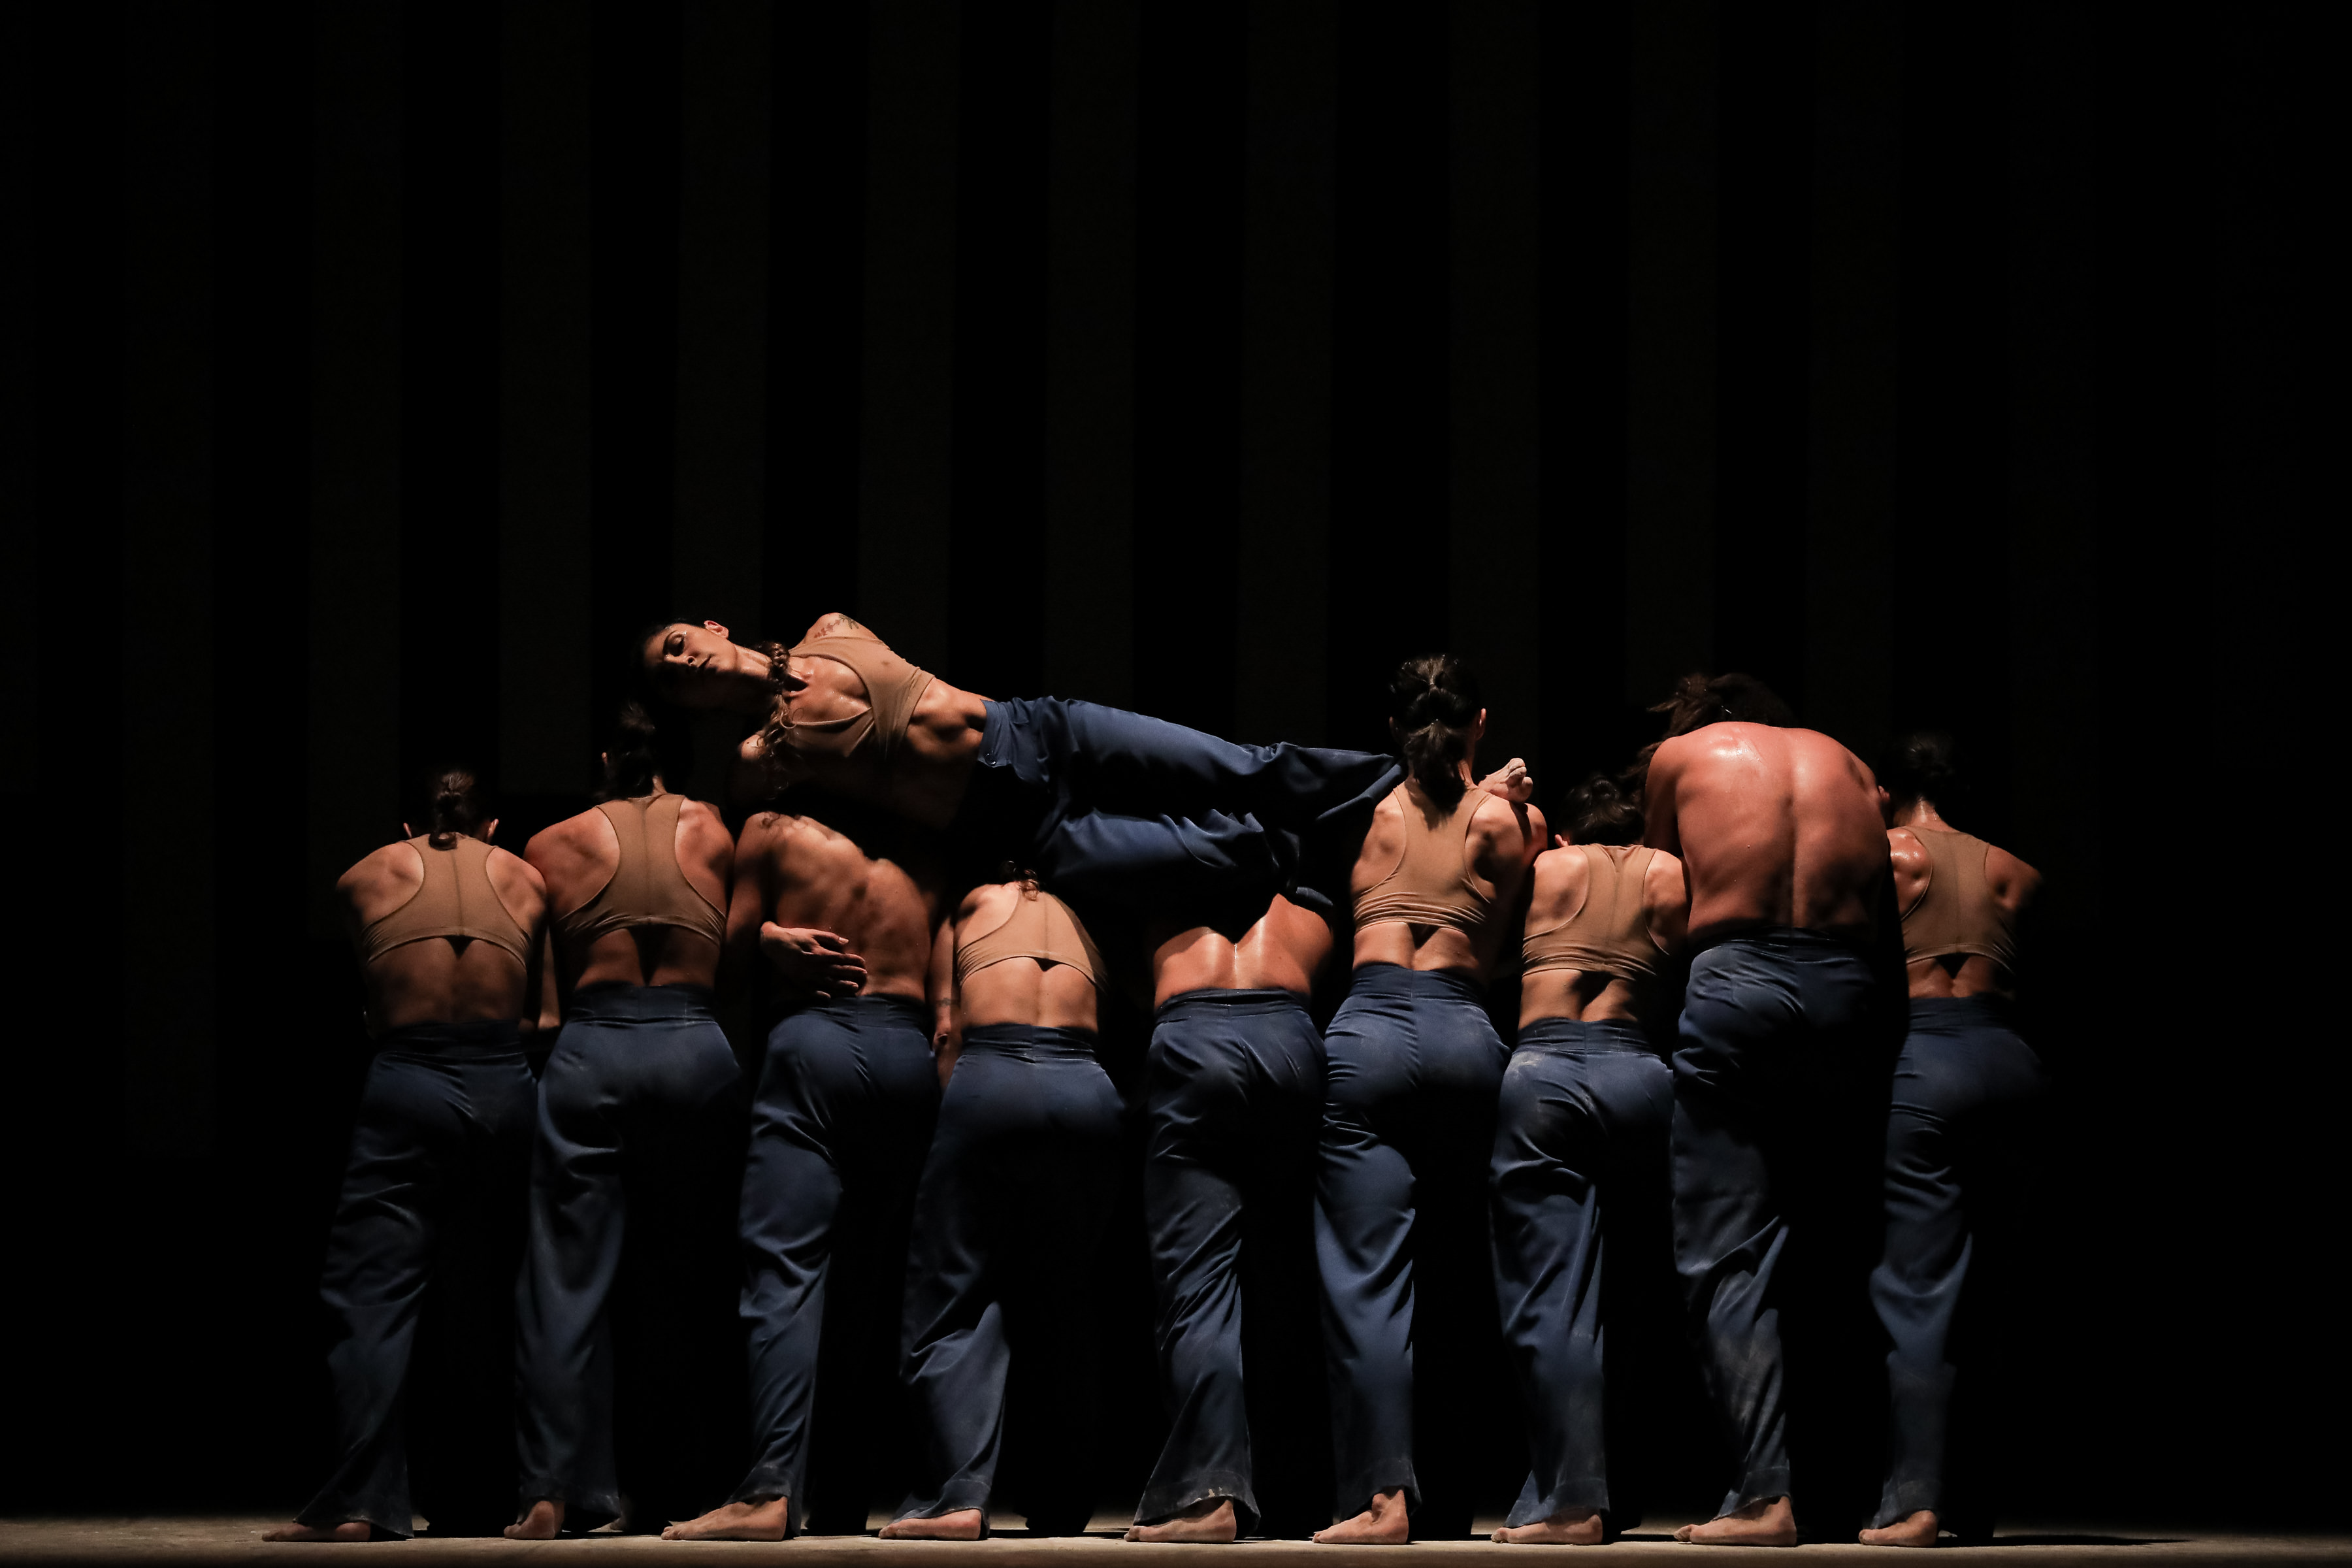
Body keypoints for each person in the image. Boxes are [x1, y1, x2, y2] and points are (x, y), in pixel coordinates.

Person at [638, 614, 1403, 919]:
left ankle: (1402, 786)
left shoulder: (833, 628)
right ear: (689, 705)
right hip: (1019, 826)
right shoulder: (759, 762)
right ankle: (1334, 867)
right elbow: (745, 879)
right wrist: (769, 938)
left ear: (712, 627)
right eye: (672, 676)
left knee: (1241, 768)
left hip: (1041, 731)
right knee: (1216, 857)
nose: (685, 663)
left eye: (677, 644)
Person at [1639, 673, 1891, 1547]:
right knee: (1842, 1241)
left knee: (1723, 1247)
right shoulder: (1852, 766)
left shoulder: (1681, 757)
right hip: (1847, 986)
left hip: (1738, 979)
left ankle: (1764, 1494)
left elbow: (1661, 883)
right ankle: (1864, 1487)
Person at [267, 768, 551, 1543]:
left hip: (408, 1080)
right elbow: (547, 1013)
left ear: (406, 827)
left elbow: (376, 992)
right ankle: (532, 1493)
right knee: (512, 1292)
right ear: (493, 826)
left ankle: (362, 1504)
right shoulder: (527, 877)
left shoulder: (363, 873)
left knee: (372, 1296)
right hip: (504, 1083)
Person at [664, 796, 951, 1541]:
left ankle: (769, 1490)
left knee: (785, 1277)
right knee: (865, 1286)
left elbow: (718, 969)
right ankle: (844, 1494)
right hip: (905, 1052)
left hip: (815, 1043)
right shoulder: (921, 830)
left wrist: (765, 938)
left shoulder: (774, 830)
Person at [1315, 656, 1544, 1545]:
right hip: (1461, 1033)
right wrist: (1499, 788)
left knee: (1367, 1284)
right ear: (1479, 721)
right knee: (1462, 1279)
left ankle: (1382, 1499)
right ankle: (1466, 1489)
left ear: (1392, 727)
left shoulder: (1363, 814)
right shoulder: (1515, 819)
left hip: (1368, 1033)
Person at [507, 706, 741, 1539]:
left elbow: (540, 1008)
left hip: (594, 1047)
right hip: (694, 1048)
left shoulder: (550, 845)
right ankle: (690, 1486)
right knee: (692, 1281)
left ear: (603, 759)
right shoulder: (717, 830)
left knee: (566, 1285)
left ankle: (554, 1490)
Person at [881, 878, 1126, 1541]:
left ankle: (959, 1493)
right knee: (1067, 1299)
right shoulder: (1090, 912)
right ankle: (1064, 1499)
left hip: (992, 1076)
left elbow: (946, 1035)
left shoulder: (967, 907)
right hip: (1087, 1087)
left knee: (952, 1295)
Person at [1490, 774, 1688, 1545]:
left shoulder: (1546, 867)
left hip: (1547, 1078)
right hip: (1641, 1074)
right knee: (1630, 1295)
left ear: (1566, 834)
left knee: (1550, 1297)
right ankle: (1605, 1482)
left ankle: (1571, 1499)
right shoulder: (1672, 872)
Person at [1859, 733, 2045, 1548]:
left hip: (1926, 1056)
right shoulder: (2016, 869)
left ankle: (1916, 1500)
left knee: (1918, 1287)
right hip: (2009, 1060)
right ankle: (1972, 1501)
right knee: (1992, 1290)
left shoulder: (1884, 856)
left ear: (1891, 790)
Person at [1125, 892, 1337, 1543]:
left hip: (1196, 1037)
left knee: (1198, 1287)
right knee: (1290, 1278)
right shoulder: (1313, 908)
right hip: (1291, 1039)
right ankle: (1301, 1491)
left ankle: (1208, 1495)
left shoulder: (1164, 890)